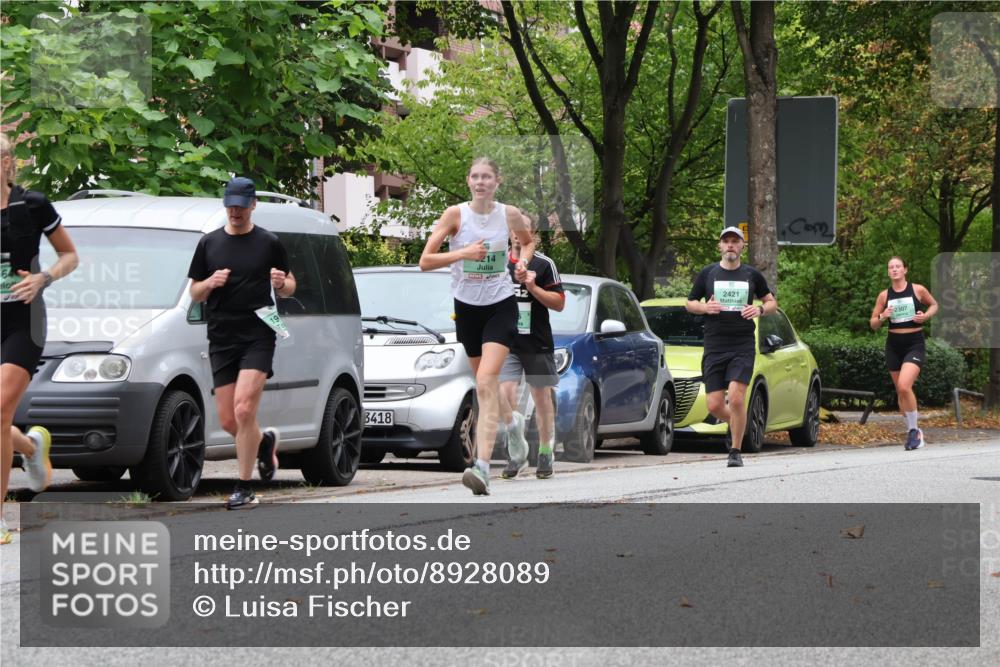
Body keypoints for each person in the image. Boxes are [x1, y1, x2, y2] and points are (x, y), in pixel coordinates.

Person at [419, 158, 534, 496]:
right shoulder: (455, 215)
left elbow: (527, 241)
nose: (481, 182)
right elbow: (426, 261)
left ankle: (482, 467)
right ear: (468, 181)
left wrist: (522, 263)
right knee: (486, 384)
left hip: (501, 305)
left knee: (485, 380)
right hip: (467, 309)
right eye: (475, 176)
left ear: (497, 182)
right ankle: (513, 425)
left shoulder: (508, 214)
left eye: (487, 177)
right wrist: (463, 253)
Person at [187, 176, 296, 509]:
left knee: (245, 408)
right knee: (229, 421)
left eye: (240, 205)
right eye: (230, 204)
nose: (234, 211)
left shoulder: (268, 242)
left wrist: (281, 284)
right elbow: (194, 291)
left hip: (258, 333)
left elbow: (291, 285)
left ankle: (244, 487)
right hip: (221, 335)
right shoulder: (209, 244)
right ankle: (263, 444)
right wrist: (209, 283)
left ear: (253, 205)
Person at [1, 134, 79, 543]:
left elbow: (70, 255)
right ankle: (31, 448)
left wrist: (43, 278)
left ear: (6, 162)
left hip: (22, 321)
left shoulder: (31, 204)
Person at [686, 226, 776, 468]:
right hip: (714, 345)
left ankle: (735, 451)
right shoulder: (708, 274)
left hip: (742, 344)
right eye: (726, 241)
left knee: (736, 399)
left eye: (735, 241)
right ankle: (737, 424)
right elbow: (689, 303)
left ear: (742, 246)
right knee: (714, 405)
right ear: (720, 246)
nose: (730, 245)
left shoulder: (752, 275)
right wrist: (705, 308)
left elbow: (771, 303)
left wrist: (758, 309)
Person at [498, 211, 565, 480]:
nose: (517, 233)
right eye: (514, 228)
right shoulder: (497, 263)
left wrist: (533, 287)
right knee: (504, 393)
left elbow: (559, 303)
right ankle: (517, 449)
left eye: (523, 229)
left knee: (542, 398)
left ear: (531, 234)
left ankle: (546, 450)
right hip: (507, 342)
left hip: (537, 342)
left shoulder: (544, 264)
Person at [869, 256, 938, 450]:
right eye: (891, 267)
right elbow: (873, 324)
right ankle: (913, 429)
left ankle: (914, 432)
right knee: (901, 396)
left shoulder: (917, 289)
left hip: (914, 343)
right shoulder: (884, 296)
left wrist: (925, 316)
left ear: (905, 270)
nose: (894, 269)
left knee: (904, 386)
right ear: (888, 272)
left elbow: (934, 305)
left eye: (898, 266)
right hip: (893, 345)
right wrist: (883, 316)